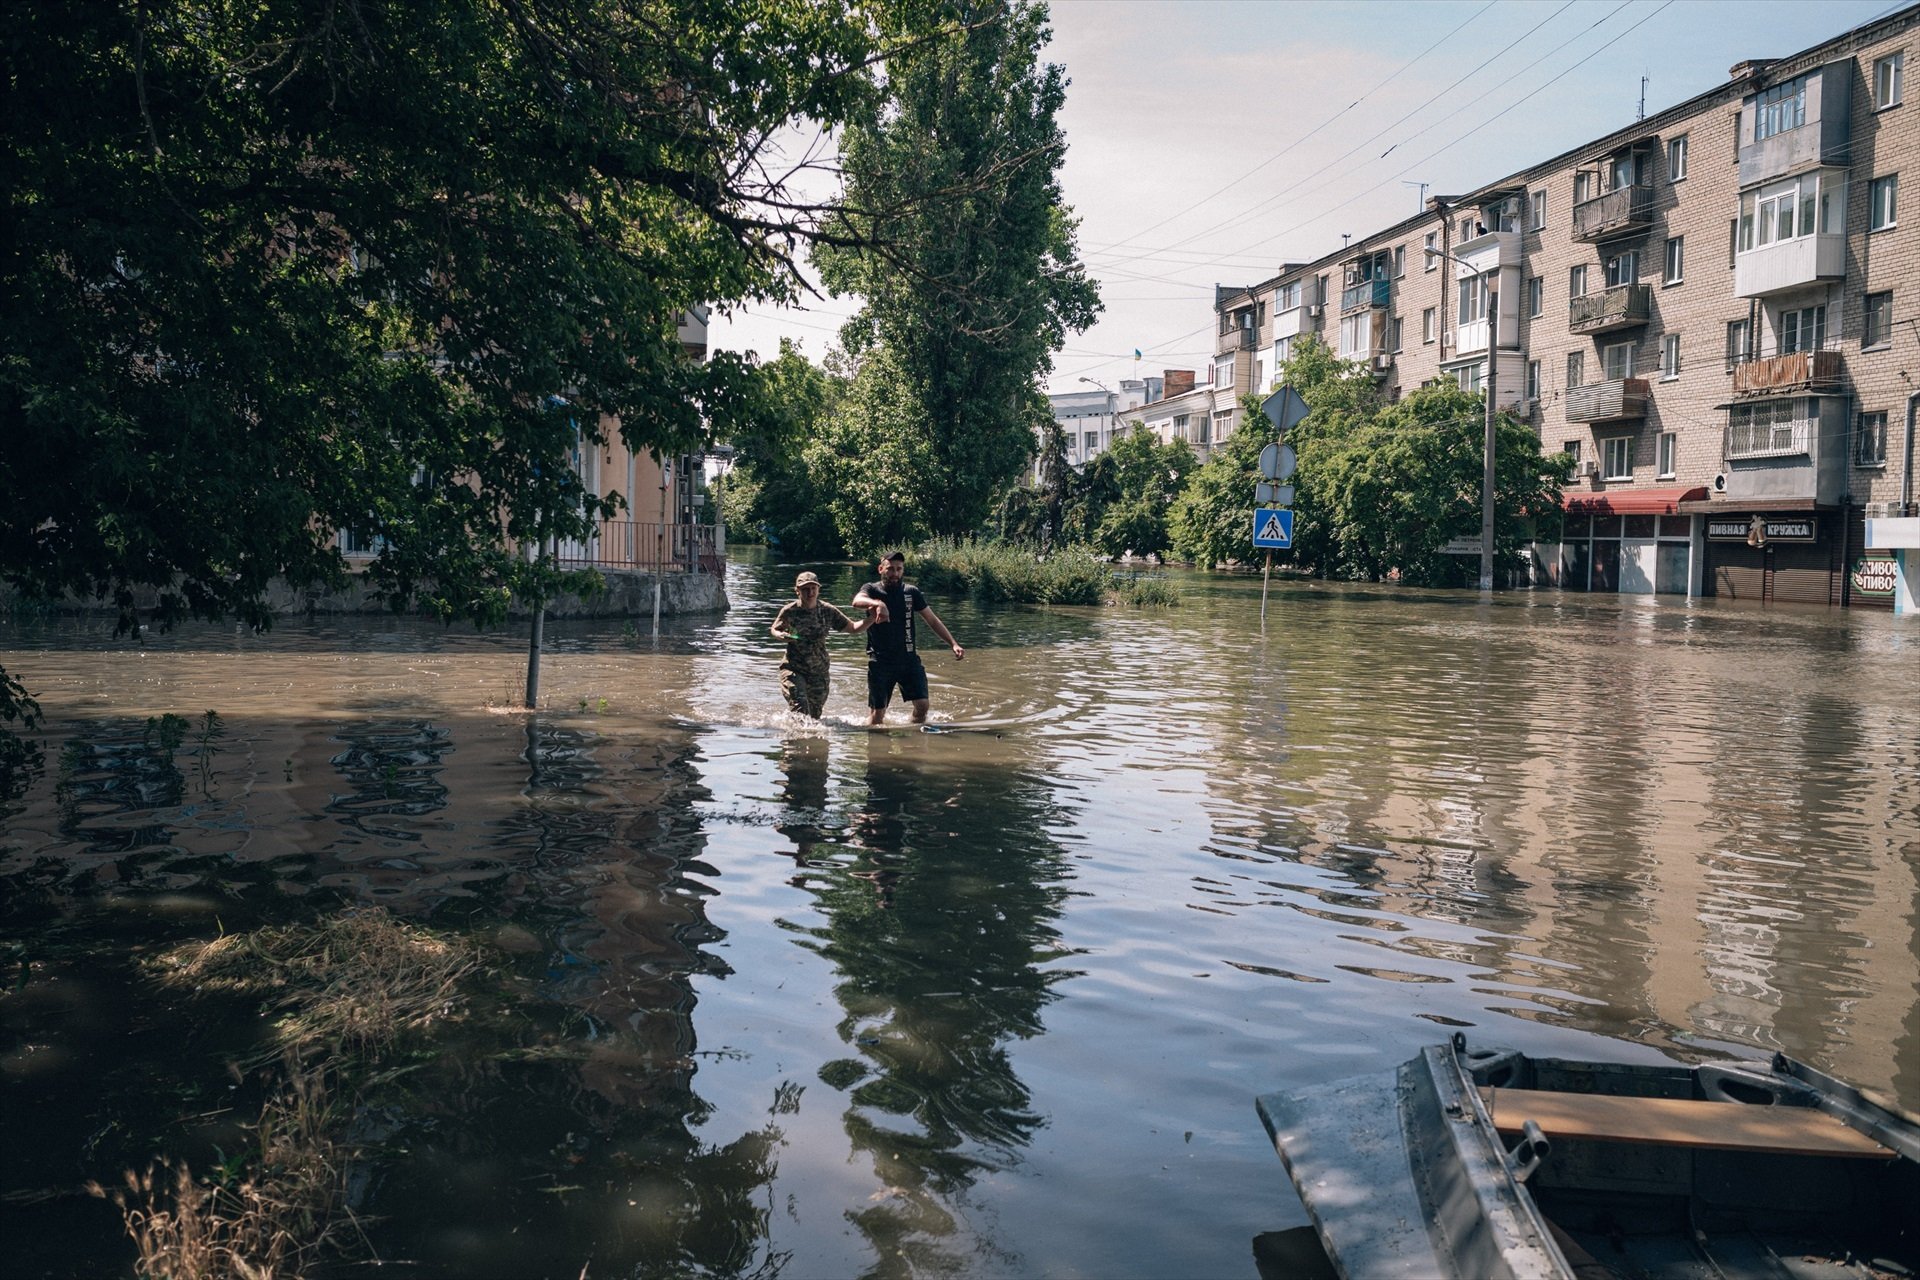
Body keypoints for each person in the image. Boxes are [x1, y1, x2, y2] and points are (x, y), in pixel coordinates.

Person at [850, 551, 964, 726]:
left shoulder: (911, 592)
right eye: (890, 569)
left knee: (923, 705)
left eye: (899, 569)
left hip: (908, 659)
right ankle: (870, 735)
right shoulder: (872, 589)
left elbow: (932, 620)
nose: (895, 573)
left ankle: (913, 735)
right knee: (877, 716)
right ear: (881, 569)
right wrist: (878, 604)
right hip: (880, 661)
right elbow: (857, 601)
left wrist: (953, 643)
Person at [770, 571, 866, 718]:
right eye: (805, 589)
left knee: (814, 717)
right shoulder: (790, 610)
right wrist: (779, 635)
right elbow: (775, 628)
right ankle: (795, 732)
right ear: (797, 591)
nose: (810, 592)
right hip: (794, 668)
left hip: (819, 671)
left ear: (818, 589)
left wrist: (872, 618)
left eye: (813, 588)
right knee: (800, 709)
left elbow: (852, 628)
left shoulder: (827, 610)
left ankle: (797, 729)